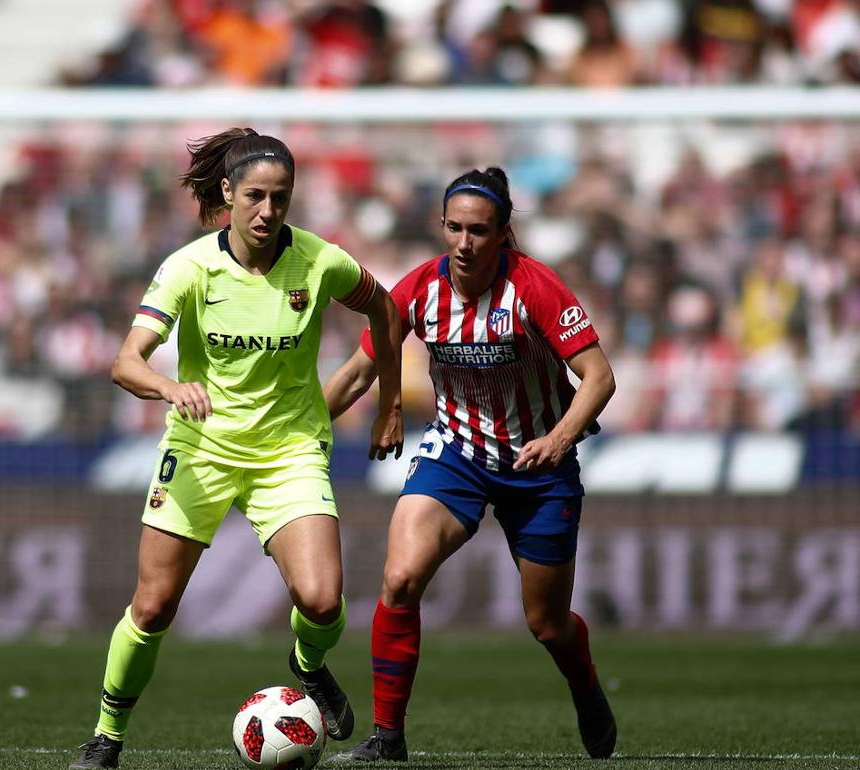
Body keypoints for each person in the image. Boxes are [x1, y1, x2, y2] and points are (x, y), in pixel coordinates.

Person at [68, 127, 405, 770]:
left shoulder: (320, 261)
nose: (267, 211)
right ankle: (107, 735)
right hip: (202, 449)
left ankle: (307, 663)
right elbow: (125, 362)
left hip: (289, 451)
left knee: (323, 601)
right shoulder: (189, 268)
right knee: (153, 606)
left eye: (281, 198)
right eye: (255, 196)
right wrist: (170, 387)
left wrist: (391, 402)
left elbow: (386, 310)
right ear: (227, 192)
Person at [324, 167, 619, 761]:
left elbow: (599, 377)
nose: (464, 243)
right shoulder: (418, 289)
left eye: (478, 231)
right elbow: (357, 373)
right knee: (399, 579)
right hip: (456, 453)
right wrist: (289, 435)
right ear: (441, 226)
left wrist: (559, 439)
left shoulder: (534, 286)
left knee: (546, 623)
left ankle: (585, 684)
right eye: (454, 228)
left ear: (503, 233)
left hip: (538, 464)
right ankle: (388, 738)